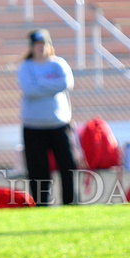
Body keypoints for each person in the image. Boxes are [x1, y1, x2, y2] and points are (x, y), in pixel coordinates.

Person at [17, 29, 77, 206]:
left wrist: (40, 83)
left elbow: (66, 84)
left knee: (67, 165)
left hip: (58, 124)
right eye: (36, 45)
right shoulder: (26, 67)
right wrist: (52, 86)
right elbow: (29, 89)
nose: (40, 48)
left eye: (43, 44)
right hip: (34, 126)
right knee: (38, 170)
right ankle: (41, 204)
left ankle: (70, 202)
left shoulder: (59, 64)